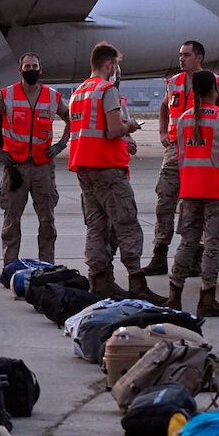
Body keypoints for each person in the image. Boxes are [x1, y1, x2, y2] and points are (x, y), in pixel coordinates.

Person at [67, 42, 160, 302]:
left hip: (84, 167)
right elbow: (112, 130)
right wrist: (129, 126)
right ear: (109, 65)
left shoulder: (80, 92)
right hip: (107, 168)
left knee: (96, 227)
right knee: (127, 224)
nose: (116, 70)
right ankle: (136, 282)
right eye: (115, 65)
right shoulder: (106, 90)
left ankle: (100, 281)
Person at [148, 41, 219, 279]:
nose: (181, 59)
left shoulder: (216, 83)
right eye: (180, 54)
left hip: (203, 152)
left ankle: (195, 257)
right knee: (165, 202)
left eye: (186, 55)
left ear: (199, 57)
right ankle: (159, 255)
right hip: (176, 150)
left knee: (198, 204)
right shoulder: (174, 82)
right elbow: (163, 107)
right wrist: (162, 132)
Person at [0, 53, 67, 265]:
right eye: (27, 67)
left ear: (41, 69)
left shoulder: (52, 96)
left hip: (42, 166)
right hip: (15, 166)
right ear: (20, 70)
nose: (31, 70)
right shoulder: (6, 95)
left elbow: (70, 118)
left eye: (34, 66)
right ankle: (10, 267)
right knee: (11, 221)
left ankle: (47, 266)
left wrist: (61, 144)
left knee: (47, 221)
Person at [170, 69, 219, 318]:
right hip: (218, 191)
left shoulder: (182, 120)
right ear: (215, 89)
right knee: (212, 246)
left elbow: (181, 156)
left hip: (190, 190)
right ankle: (207, 299)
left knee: (187, 243)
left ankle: (174, 296)